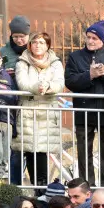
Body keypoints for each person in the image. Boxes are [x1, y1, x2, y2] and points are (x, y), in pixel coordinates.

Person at [66, 20, 104, 188]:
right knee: (84, 153)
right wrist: (89, 75)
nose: (90, 41)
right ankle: (87, 188)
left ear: (103, 41)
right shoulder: (74, 57)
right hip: (84, 112)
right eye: (89, 37)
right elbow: (70, 81)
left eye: (95, 38)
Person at [13, 32, 65, 189]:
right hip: (29, 110)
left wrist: (48, 87)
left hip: (47, 111)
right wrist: (36, 87)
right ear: (30, 45)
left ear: (48, 45)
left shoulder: (55, 63)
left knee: (42, 151)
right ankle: (31, 188)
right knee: (29, 149)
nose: (38, 45)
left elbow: (59, 83)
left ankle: (41, 189)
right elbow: (23, 83)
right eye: (35, 42)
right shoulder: (22, 62)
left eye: (42, 42)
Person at [0, 51, 20, 184]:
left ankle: (1, 179)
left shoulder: (6, 75)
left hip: (8, 118)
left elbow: (13, 95)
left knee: (5, 151)